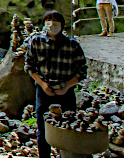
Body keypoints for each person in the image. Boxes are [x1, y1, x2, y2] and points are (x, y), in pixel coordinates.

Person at [25, 10, 88, 158]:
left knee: (69, 129)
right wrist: (42, 84)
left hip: (66, 92)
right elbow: (29, 66)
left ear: (62, 25)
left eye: (55, 21)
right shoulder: (36, 42)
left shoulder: (73, 45)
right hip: (44, 91)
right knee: (43, 131)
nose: (52, 24)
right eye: (48, 20)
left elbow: (82, 71)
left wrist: (66, 86)